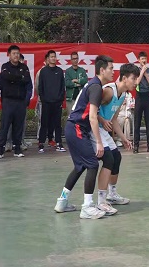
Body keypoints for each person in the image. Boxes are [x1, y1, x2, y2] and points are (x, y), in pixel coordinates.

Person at [53, 55, 115, 219]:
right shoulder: (96, 87)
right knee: (92, 164)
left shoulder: (93, 85)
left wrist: (101, 121)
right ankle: (87, 207)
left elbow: (88, 111)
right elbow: (92, 117)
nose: (113, 72)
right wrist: (99, 142)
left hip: (73, 128)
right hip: (77, 129)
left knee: (80, 166)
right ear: (102, 70)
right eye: (111, 68)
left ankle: (62, 202)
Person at [93, 63, 140, 215]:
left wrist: (124, 138)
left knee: (116, 157)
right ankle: (101, 201)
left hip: (104, 130)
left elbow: (113, 119)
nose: (136, 82)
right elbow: (91, 110)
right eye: (134, 78)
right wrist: (101, 120)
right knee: (108, 159)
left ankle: (112, 194)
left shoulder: (123, 95)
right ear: (124, 78)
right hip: (94, 128)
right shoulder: (108, 91)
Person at [0, 45, 32, 159]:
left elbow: (26, 79)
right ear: (9, 55)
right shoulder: (5, 66)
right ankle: (0, 150)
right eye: (14, 53)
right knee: (5, 125)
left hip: (20, 101)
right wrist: (19, 78)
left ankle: (17, 149)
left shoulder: (24, 67)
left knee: (18, 126)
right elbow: (5, 78)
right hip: (8, 101)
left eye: (17, 53)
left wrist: (13, 79)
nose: (16, 55)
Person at [38, 50, 66, 152]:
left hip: (57, 102)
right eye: (51, 57)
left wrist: (60, 98)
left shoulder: (59, 71)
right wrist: (43, 98)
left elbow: (62, 86)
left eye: (54, 56)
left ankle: (59, 143)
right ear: (47, 59)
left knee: (57, 123)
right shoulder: (43, 71)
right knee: (44, 123)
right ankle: (41, 143)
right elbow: (40, 87)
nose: (53, 58)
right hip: (46, 102)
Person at [133, 51, 149, 153]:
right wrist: (142, 72)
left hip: (147, 96)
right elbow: (136, 82)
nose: (144, 60)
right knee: (137, 122)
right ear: (139, 60)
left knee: (148, 122)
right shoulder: (136, 70)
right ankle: (136, 145)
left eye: (145, 58)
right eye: (142, 59)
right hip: (139, 96)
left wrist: (146, 73)